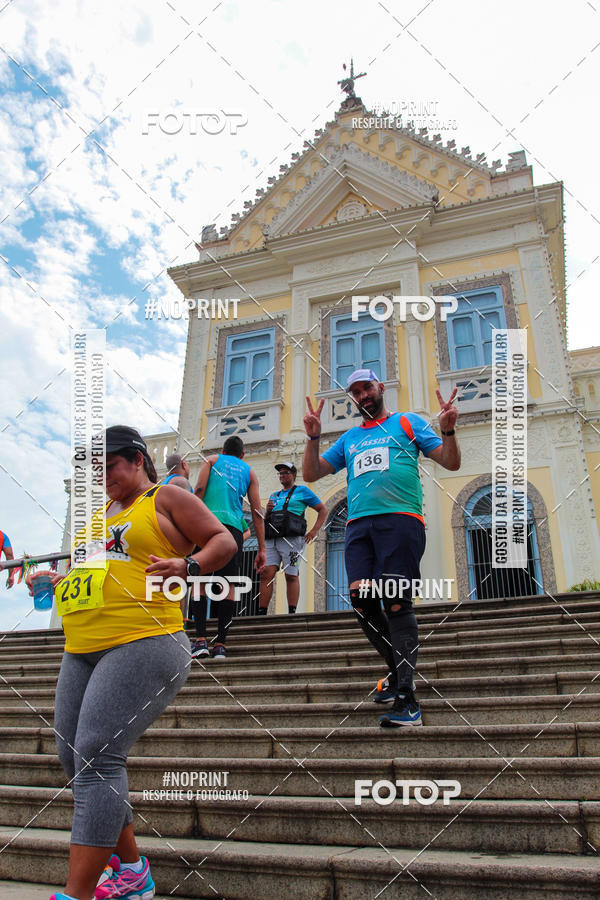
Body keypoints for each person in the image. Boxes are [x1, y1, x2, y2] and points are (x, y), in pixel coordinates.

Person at [28, 425, 237, 900]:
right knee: (73, 758)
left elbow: (222, 541)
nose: (105, 478)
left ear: (138, 460)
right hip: (81, 646)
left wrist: (191, 566)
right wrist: (54, 579)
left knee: (98, 755)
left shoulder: (166, 498)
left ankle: (76, 894)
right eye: (98, 471)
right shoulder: (100, 515)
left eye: (111, 467)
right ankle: (132, 869)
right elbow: (92, 574)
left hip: (145, 638)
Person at [303, 369, 460, 727]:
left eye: (367, 388)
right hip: (358, 527)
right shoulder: (349, 438)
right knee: (361, 603)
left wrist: (448, 429)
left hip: (400, 521)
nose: (362, 396)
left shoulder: (408, 423)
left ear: (380, 388)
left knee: (396, 601)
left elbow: (451, 462)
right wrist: (312, 438)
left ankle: (407, 700)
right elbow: (311, 474)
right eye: (355, 392)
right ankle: (398, 674)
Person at [192, 435, 266, 659]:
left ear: (223, 451)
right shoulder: (249, 471)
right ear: (242, 454)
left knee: (199, 582)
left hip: (206, 525)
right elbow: (257, 511)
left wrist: (189, 528)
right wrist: (262, 548)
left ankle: (201, 640)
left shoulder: (212, 461)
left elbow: (198, 492)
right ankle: (221, 645)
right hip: (233, 530)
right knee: (229, 586)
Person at [258, 462, 327, 614]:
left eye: (286, 472)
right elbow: (265, 520)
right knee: (266, 574)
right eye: (280, 473)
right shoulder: (274, 495)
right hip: (272, 539)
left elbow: (322, 510)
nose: (282, 475)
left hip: (292, 540)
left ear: (294, 475)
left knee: (291, 574)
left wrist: (314, 531)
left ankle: (292, 612)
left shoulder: (302, 491)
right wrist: (268, 512)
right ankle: (262, 612)